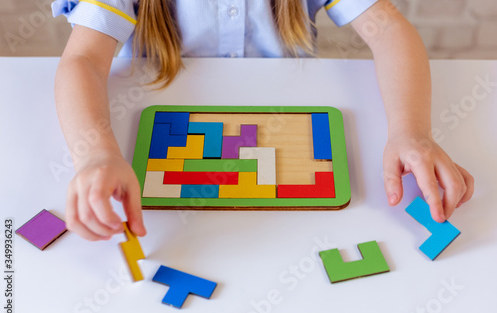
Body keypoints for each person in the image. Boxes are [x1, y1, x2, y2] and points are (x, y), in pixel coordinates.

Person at [52, 0, 474, 241]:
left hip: (286, 135)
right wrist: (96, 155)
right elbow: (83, 60)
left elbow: (388, 29)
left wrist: (410, 129)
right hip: (157, 141)